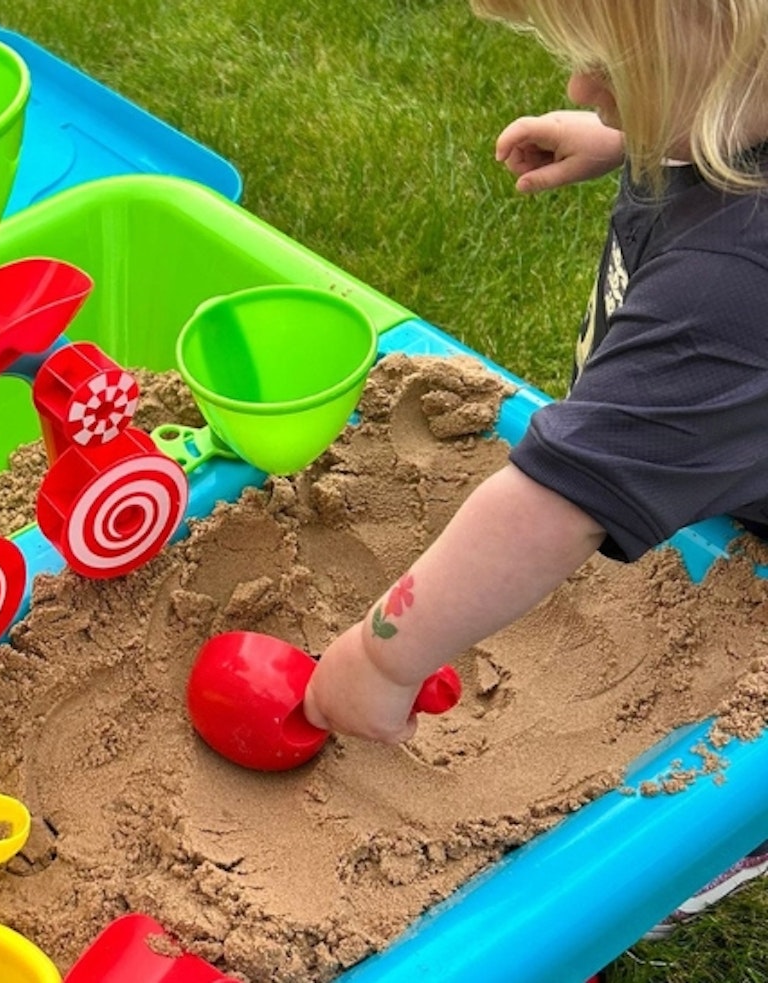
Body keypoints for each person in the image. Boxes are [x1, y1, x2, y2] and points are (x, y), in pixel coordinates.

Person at [301, 0, 768, 936]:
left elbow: (551, 507)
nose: (580, 87)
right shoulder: (728, 118)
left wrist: (382, 660)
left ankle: (739, 828)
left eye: (613, 69)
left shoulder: (733, 285)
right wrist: (623, 130)